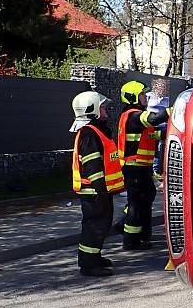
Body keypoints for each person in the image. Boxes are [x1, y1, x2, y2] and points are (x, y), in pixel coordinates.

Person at [70, 91, 125, 277]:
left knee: (100, 224)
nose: (106, 111)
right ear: (92, 109)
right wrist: (100, 190)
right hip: (94, 190)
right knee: (95, 226)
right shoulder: (89, 133)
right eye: (102, 107)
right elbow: (92, 165)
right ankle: (88, 264)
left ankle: (94, 256)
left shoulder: (94, 130)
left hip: (98, 190)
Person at [117, 80, 171, 250]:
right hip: (134, 168)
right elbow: (155, 118)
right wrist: (175, 110)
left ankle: (142, 233)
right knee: (137, 203)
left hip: (141, 168)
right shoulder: (133, 115)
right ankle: (131, 240)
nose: (146, 98)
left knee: (146, 198)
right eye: (142, 95)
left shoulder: (137, 119)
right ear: (133, 98)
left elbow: (153, 135)